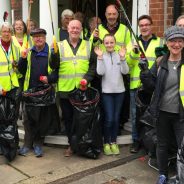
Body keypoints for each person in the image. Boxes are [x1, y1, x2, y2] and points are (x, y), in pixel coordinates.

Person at [140, 25, 184, 184]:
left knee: (182, 147)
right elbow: (151, 86)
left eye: (180, 41)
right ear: (167, 43)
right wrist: (145, 75)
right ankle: (163, 175)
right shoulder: (160, 62)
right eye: (173, 41)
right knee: (162, 145)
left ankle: (181, 176)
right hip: (162, 113)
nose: (176, 44)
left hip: (181, 114)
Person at [57, 20, 96, 157]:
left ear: (81, 30)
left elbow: (93, 66)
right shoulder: (59, 46)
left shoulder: (88, 45)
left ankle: (82, 144)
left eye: (77, 28)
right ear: (67, 29)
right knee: (68, 119)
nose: (75, 30)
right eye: (72, 28)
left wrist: (87, 78)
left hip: (83, 90)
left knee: (82, 120)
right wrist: (53, 54)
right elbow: (53, 66)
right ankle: (71, 145)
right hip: (65, 90)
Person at [18, 28, 60, 157]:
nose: (38, 39)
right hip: (30, 91)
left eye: (41, 36)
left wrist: (50, 78)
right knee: (27, 120)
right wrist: (23, 59)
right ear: (32, 39)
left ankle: (37, 144)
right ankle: (27, 144)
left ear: (45, 37)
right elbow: (22, 70)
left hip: (44, 91)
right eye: (35, 37)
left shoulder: (51, 52)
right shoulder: (29, 52)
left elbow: (56, 70)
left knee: (41, 120)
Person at [126, 15, 163, 153]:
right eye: (141, 25)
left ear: (151, 25)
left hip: (153, 86)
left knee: (152, 116)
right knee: (136, 116)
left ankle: (149, 142)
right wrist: (134, 52)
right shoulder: (133, 42)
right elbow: (128, 64)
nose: (144, 27)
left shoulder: (160, 42)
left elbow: (163, 63)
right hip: (137, 86)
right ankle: (136, 141)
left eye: (146, 24)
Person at [95, 34, 129, 155]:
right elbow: (100, 72)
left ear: (115, 43)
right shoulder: (102, 55)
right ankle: (106, 142)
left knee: (115, 119)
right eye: (107, 43)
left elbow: (125, 71)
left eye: (111, 42)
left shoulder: (119, 55)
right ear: (104, 44)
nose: (109, 45)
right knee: (109, 119)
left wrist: (123, 58)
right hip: (107, 93)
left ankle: (113, 142)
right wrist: (99, 58)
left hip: (120, 92)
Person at [0, 22, 20, 159]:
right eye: (4, 31)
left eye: (9, 31)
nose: (6, 33)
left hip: (13, 88)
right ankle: (2, 146)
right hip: (2, 89)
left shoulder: (14, 45)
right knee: (1, 119)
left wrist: (16, 64)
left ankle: (13, 144)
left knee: (12, 119)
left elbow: (20, 63)